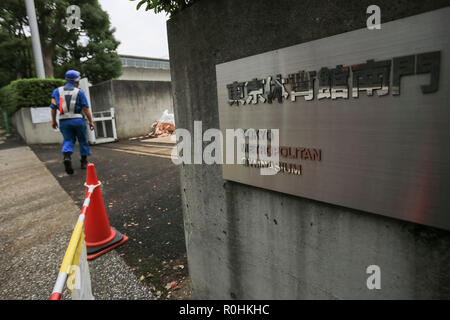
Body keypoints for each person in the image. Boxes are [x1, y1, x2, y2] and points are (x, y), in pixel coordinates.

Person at [50, 70, 95, 175]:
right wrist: (91, 121)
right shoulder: (79, 92)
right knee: (83, 140)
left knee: (68, 140)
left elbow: (53, 108)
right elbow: (86, 108)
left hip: (64, 121)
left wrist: (53, 121)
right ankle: (84, 162)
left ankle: (67, 157)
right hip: (77, 120)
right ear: (76, 80)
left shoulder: (56, 91)